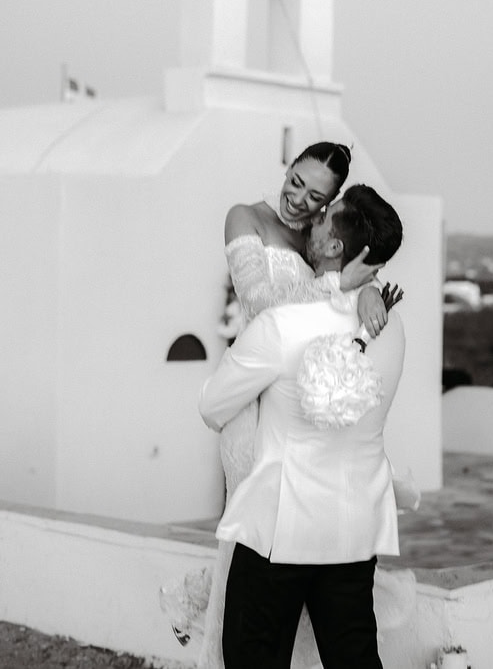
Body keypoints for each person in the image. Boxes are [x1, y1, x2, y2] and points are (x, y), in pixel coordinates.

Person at [196, 142, 391, 669]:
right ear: (287, 169)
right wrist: (336, 286)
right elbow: (258, 305)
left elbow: (350, 263)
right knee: (258, 526)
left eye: (315, 196)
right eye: (296, 180)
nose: (299, 200)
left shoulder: (318, 239)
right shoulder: (246, 218)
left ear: (329, 207)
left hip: (302, 399)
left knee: (289, 560)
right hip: (254, 395)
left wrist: (364, 294)